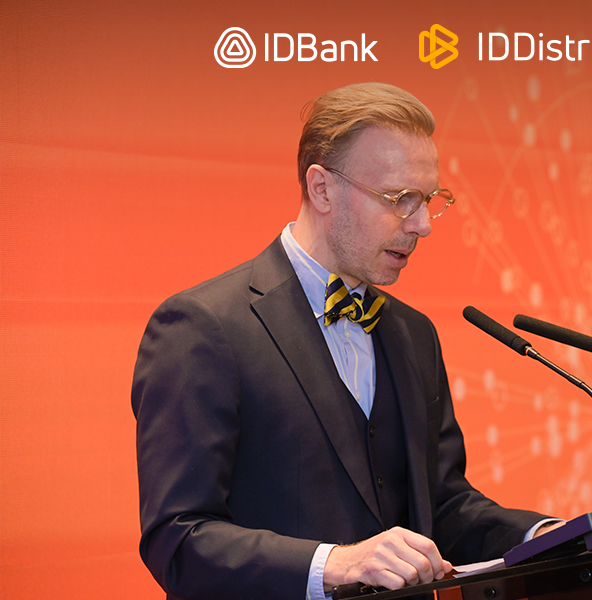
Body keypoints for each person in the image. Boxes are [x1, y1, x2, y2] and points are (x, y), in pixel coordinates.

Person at [132, 82, 559, 600]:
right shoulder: (203, 327)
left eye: (429, 200)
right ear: (322, 189)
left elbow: (442, 506)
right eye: (400, 199)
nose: (423, 225)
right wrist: (333, 563)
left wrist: (548, 537)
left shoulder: (413, 333)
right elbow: (177, 540)